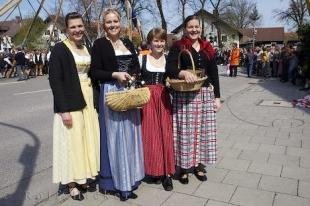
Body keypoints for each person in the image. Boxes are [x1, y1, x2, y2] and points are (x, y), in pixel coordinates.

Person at [90, 8, 144, 201]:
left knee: (130, 136)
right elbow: (94, 72)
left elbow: (136, 65)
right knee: (115, 138)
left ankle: (130, 178)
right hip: (111, 94)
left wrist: (134, 76)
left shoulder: (128, 42)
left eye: (115, 21)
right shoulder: (99, 44)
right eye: (108, 22)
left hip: (129, 93)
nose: (112, 25)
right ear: (103, 25)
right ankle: (118, 184)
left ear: (120, 23)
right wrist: (114, 74)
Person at [49, 12, 100, 201]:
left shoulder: (86, 47)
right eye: (73, 27)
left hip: (87, 99)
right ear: (67, 30)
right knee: (72, 143)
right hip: (71, 101)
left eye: (80, 26)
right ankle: (71, 184)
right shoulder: (60, 49)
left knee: (85, 141)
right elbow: (55, 80)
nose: (77, 30)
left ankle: (82, 176)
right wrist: (63, 110)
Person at [166, 15, 221, 184]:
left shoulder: (207, 47)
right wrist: (182, 72)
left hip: (205, 93)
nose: (194, 30)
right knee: (186, 132)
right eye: (190, 27)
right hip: (185, 94)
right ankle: (183, 167)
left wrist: (217, 97)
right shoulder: (178, 46)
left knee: (202, 132)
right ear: (185, 29)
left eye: (197, 27)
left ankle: (197, 165)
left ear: (201, 28)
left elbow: (214, 73)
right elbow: (169, 68)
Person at [139, 28, 175, 191]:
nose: (159, 43)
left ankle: (167, 173)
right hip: (147, 99)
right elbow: (135, 77)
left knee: (165, 134)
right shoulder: (142, 58)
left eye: (161, 40)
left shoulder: (169, 60)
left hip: (163, 99)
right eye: (156, 40)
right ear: (149, 42)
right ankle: (154, 170)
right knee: (150, 135)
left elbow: (174, 78)